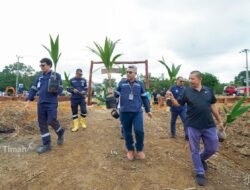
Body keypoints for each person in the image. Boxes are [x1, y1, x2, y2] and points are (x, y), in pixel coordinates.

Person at [166, 71, 223, 186]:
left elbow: (213, 106)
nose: (190, 81)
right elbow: (179, 104)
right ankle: (199, 172)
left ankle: (201, 159)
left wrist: (219, 120)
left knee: (213, 147)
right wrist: (172, 98)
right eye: (189, 79)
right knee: (194, 150)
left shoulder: (208, 91)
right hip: (193, 125)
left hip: (209, 125)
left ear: (200, 79)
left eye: (192, 79)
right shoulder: (186, 91)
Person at [25, 58, 64, 154]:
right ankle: (47, 144)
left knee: (51, 120)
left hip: (51, 102)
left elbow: (61, 89)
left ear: (50, 65)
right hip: (41, 103)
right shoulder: (39, 77)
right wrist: (28, 100)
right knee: (42, 123)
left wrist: (55, 89)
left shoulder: (56, 75)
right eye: (40, 65)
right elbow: (33, 88)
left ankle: (60, 132)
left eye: (43, 65)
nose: (41, 67)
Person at [114, 65, 152, 161]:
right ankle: (130, 150)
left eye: (130, 72)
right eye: (127, 72)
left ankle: (139, 149)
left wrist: (148, 110)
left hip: (137, 112)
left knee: (139, 131)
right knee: (127, 132)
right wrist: (112, 93)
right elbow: (116, 95)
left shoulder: (140, 84)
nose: (128, 74)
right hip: (124, 111)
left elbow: (144, 97)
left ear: (135, 74)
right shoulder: (122, 83)